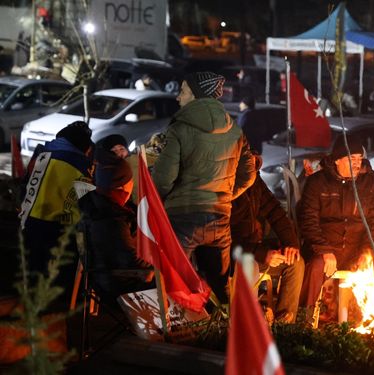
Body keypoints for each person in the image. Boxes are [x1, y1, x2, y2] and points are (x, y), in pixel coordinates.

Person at [152, 71, 256, 302]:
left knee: (173, 287)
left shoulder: (179, 129)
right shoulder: (236, 131)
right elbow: (249, 176)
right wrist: (223, 196)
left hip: (182, 218)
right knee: (221, 290)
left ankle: (172, 337)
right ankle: (225, 334)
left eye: (183, 91)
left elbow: (162, 180)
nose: (178, 97)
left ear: (197, 95)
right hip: (220, 219)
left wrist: (160, 202)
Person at [299, 136, 374, 309]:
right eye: (351, 159)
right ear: (337, 160)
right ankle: (304, 318)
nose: (357, 163)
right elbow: (308, 221)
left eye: (359, 159)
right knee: (316, 267)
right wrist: (324, 250)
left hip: (356, 250)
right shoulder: (317, 183)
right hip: (325, 250)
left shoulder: (369, 184)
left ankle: (373, 321)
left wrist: (366, 251)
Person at [230, 153, 304, 323]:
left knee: (295, 263)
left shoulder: (255, 183)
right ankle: (249, 326)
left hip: (255, 250)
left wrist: (291, 243)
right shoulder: (225, 188)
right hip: (232, 257)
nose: (253, 169)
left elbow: (275, 212)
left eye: (256, 164)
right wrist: (261, 253)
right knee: (252, 265)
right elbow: (224, 241)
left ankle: (284, 324)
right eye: (249, 164)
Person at [20, 121, 94, 274]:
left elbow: (24, 186)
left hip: (30, 220)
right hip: (60, 227)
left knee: (33, 269)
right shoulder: (80, 166)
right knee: (57, 276)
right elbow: (87, 203)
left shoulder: (41, 156)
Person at [78, 150, 152, 301]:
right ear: (124, 186)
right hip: (122, 287)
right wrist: (156, 264)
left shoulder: (95, 205)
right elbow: (132, 261)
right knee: (176, 281)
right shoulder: (112, 218)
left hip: (104, 281)